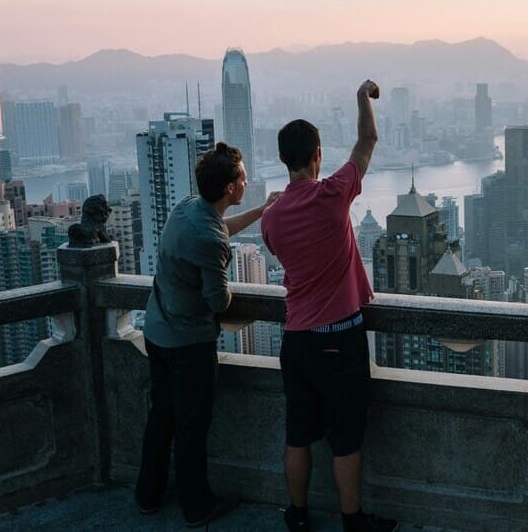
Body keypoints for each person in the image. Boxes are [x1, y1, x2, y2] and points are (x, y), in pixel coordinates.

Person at [262, 80, 397, 532]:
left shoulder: (272, 217)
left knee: (298, 434)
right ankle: (353, 522)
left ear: (285, 159)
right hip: (339, 336)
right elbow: (368, 141)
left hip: (295, 340)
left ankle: (297, 516)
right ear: (317, 154)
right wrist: (362, 98)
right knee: (344, 438)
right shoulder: (333, 194)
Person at [136, 141, 279, 528]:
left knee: (162, 415)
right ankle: (197, 507)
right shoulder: (210, 240)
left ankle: (147, 495)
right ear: (231, 188)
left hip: (158, 330)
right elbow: (219, 300)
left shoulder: (188, 207)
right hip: (187, 344)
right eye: (244, 177)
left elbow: (218, 228)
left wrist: (262, 211)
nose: (248, 180)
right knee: (192, 426)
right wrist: (227, 273)